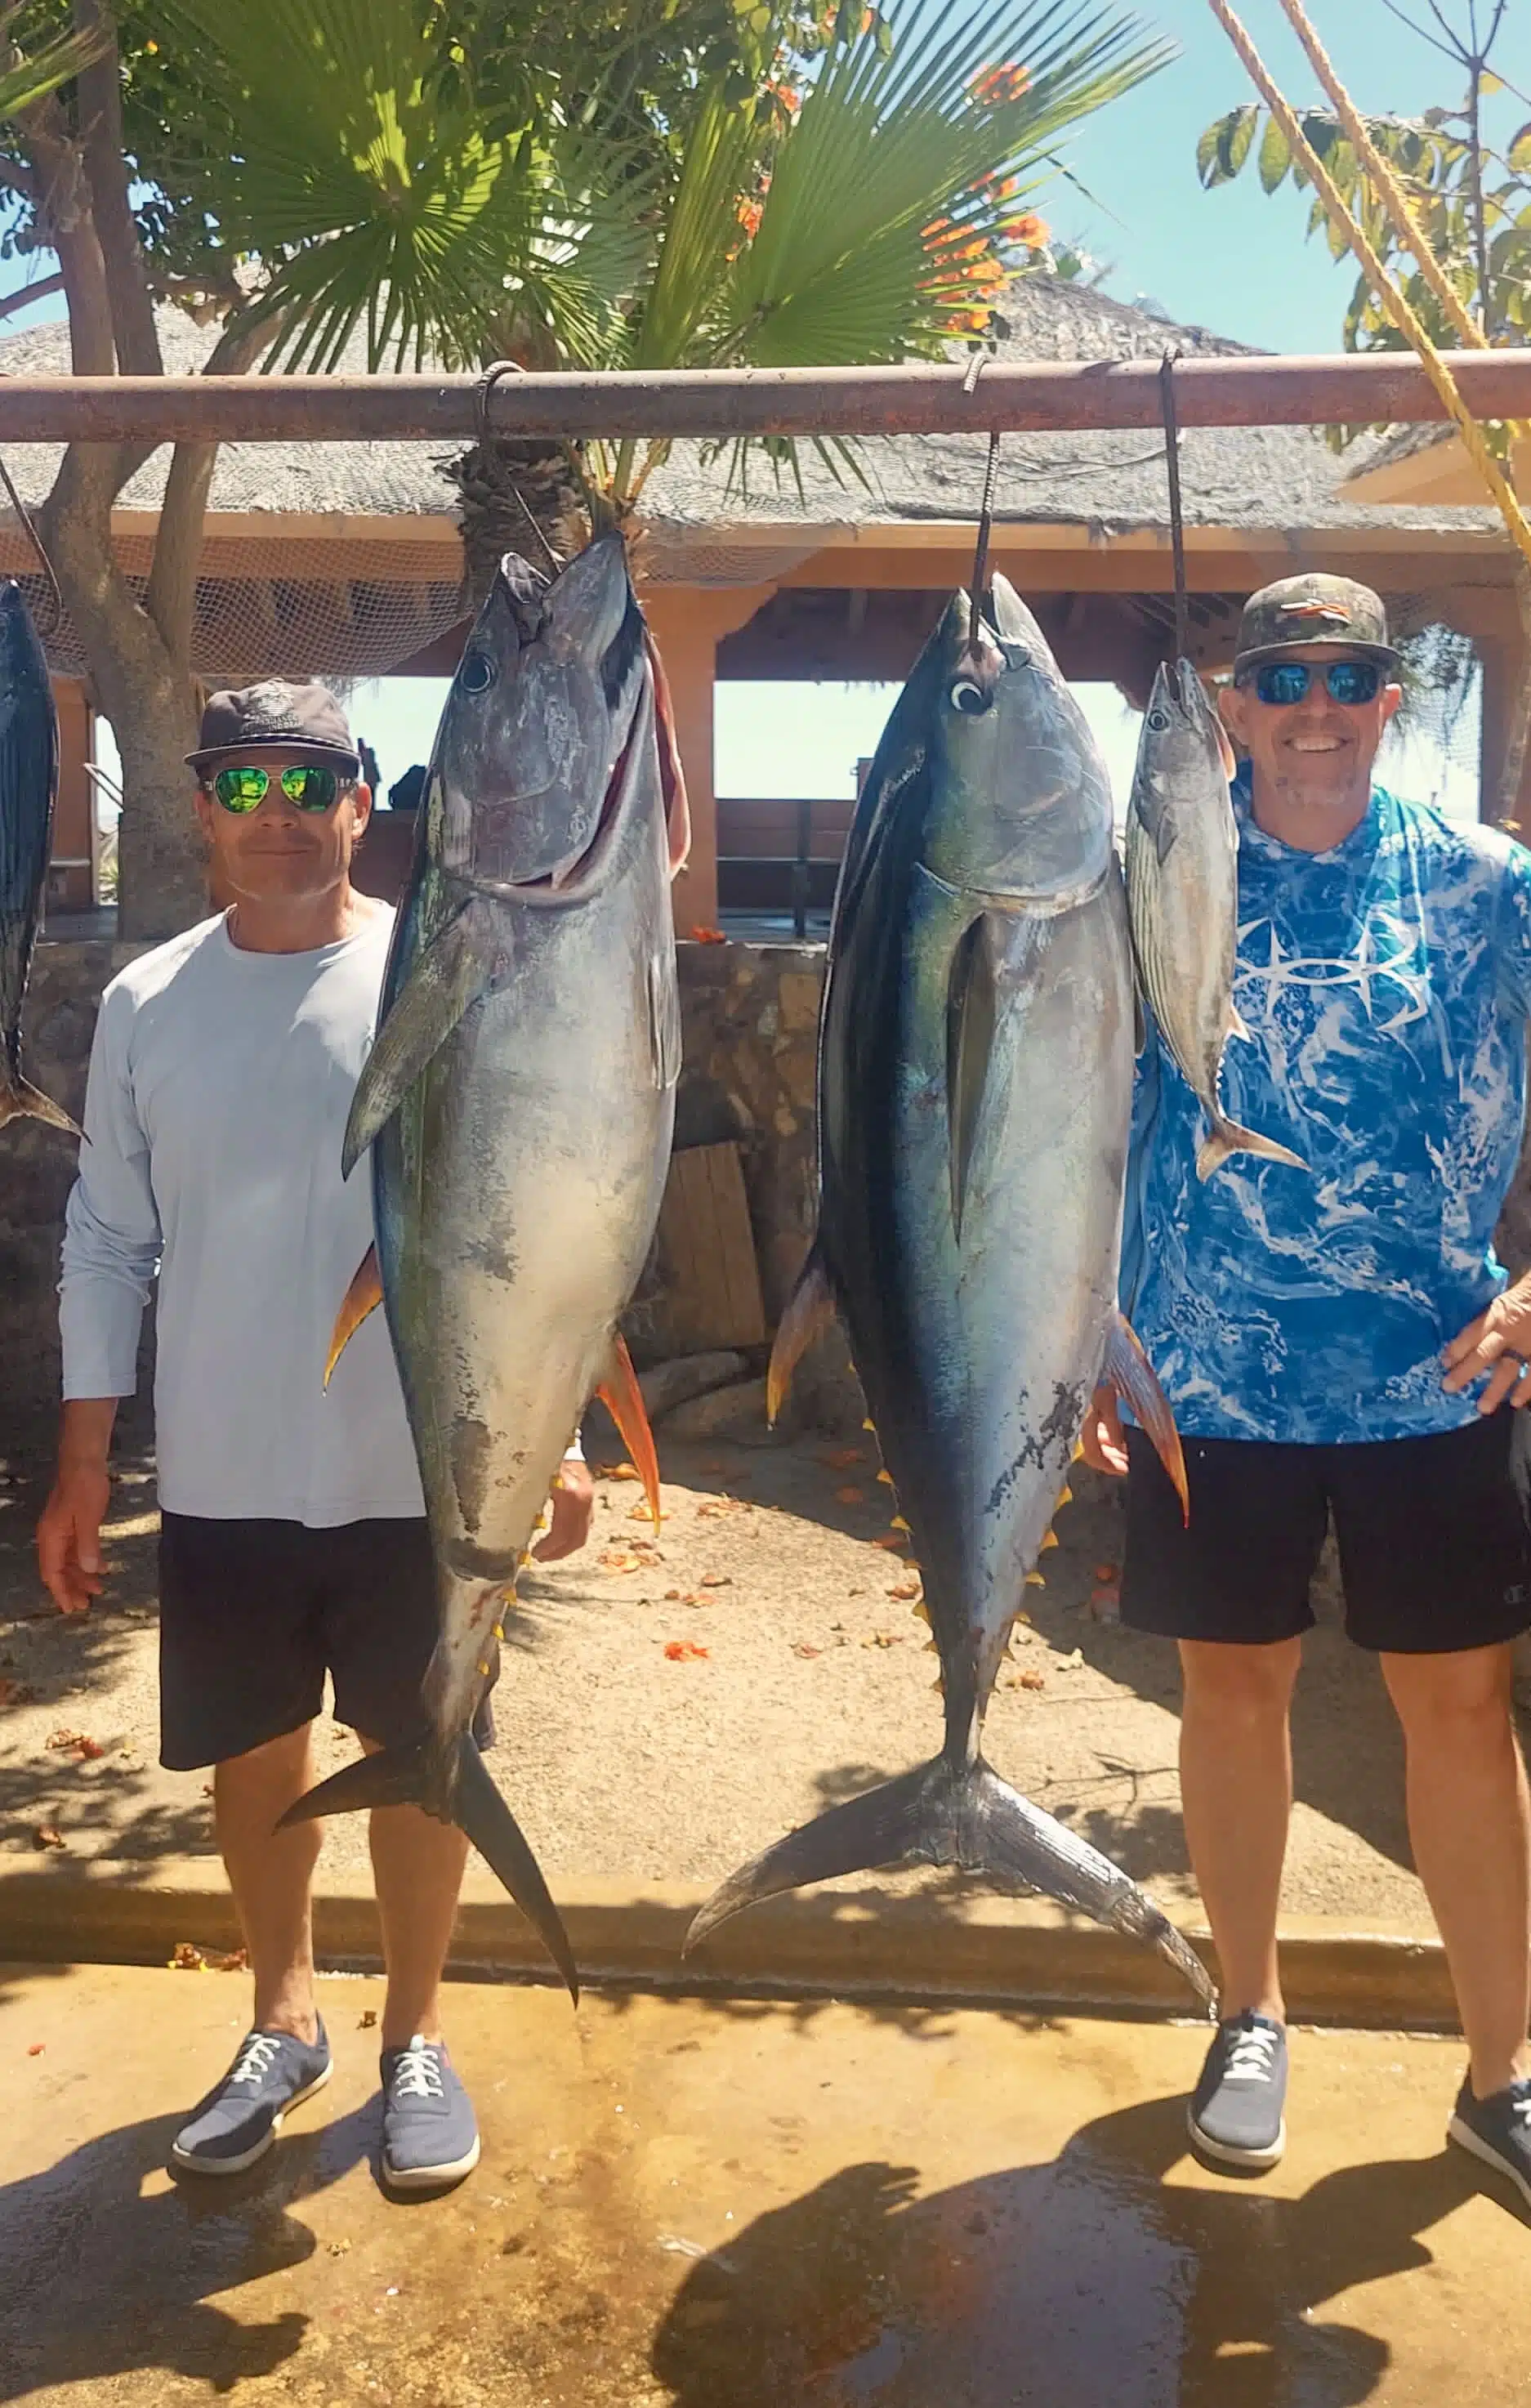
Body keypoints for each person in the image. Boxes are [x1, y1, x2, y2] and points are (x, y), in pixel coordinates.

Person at [37, 679, 595, 2194]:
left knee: (422, 1746)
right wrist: (86, 1458)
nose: (275, 819)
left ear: (364, 798)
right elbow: (105, 1238)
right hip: (224, 1466)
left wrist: (560, 1439)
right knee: (254, 1753)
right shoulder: (147, 1003)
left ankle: (416, 2033)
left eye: (309, 786)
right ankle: (282, 2019)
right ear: (205, 802)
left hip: (417, 1464)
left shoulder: (441, 975)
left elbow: (529, 1210)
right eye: (245, 786)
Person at [1084, 574, 1531, 2208]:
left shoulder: (1484, 884)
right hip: (1211, 1386)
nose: (1320, 709)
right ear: (1232, 705)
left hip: (1434, 1386)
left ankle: (1503, 2073)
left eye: (1352, 676)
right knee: (1233, 1697)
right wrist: (1087, 1330)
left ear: (1390, 697)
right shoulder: (1152, 879)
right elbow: (1074, 1101)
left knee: (1465, 1722)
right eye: (1284, 680)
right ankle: (1249, 2014)